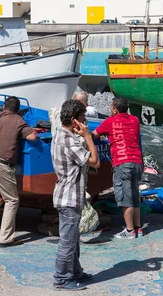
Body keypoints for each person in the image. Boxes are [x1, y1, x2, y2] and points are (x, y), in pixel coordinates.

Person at [0, 96, 37, 250]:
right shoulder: (18, 120)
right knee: (12, 200)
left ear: (4, 107)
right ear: (17, 109)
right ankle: (6, 238)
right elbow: (32, 137)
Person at [52, 100, 100, 291]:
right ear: (75, 120)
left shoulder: (60, 135)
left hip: (68, 195)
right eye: (83, 118)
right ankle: (62, 278)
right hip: (69, 197)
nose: (85, 121)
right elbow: (95, 161)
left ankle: (75, 272)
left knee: (73, 240)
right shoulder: (69, 140)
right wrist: (88, 136)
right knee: (68, 242)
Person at [92, 97, 143, 239]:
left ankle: (130, 230)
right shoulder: (135, 120)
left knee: (125, 198)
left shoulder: (110, 122)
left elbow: (93, 134)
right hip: (137, 162)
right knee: (134, 195)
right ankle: (138, 227)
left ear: (114, 109)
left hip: (122, 162)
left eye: (110, 106)